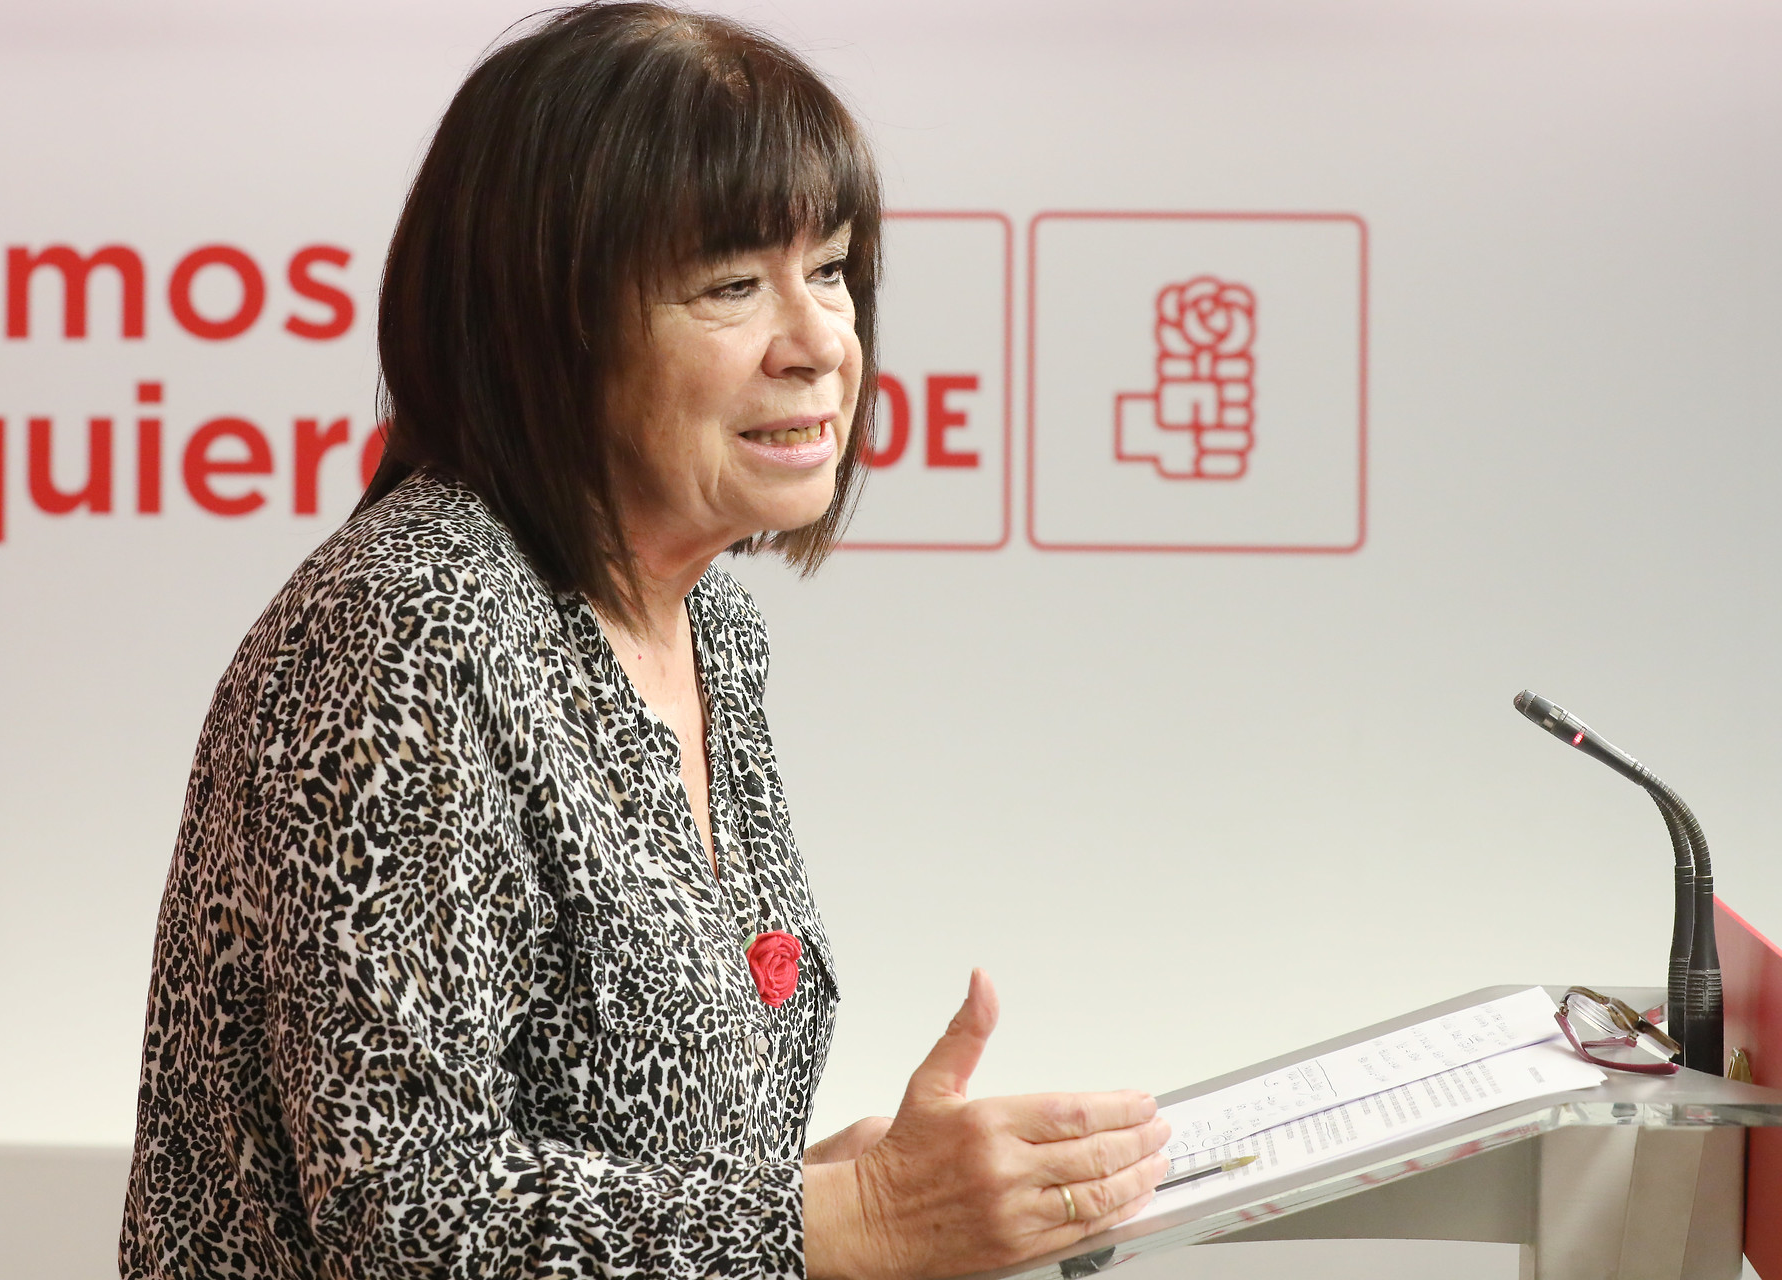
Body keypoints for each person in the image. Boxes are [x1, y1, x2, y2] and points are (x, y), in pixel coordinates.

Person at [119, 5, 1169, 1278]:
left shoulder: (710, 623)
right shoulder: (407, 626)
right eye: (731, 286)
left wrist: (842, 1190)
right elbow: (410, 1218)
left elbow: (627, 1157)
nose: (819, 343)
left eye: (830, 269)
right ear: (545, 326)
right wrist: (853, 1221)